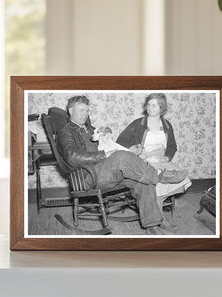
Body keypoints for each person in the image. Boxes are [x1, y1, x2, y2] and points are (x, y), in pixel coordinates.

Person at [56, 95, 188, 233]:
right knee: (121, 157)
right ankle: (160, 176)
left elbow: (108, 147)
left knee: (143, 180)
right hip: (86, 177)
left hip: (104, 172)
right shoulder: (65, 132)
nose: (86, 114)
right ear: (71, 111)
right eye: (81, 110)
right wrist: (105, 155)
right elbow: (72, 157)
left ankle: (152, 224)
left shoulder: (90, 129)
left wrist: (126, 150)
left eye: (87, 110)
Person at [117, 93, 192, 208]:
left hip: (161, 160)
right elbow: (121, 141)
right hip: (143, 160)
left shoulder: (167, 126)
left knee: (182, 179)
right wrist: (135, 149)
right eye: (149, 105)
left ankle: (161, 193)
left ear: (161, 108)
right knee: (158, 183)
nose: (150, 108)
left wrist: (167, 157)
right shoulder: (137, 124)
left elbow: (172, 146)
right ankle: (158, 212)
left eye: (154, 106)